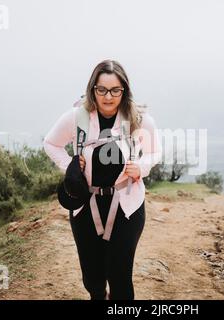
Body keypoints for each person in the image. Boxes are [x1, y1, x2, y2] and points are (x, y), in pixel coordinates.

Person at [43, 59, 162, 300]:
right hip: (85, 204)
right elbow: (51, 143)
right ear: (92, 89)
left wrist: (141, 166)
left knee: (120, 276)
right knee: (93, 278)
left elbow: (154, 151)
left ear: (124, 90)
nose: (108, 97)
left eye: (115, 90)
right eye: (102, 90)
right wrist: (71, 167)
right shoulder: (77, 117)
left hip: (127, 206)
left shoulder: (139, 118)